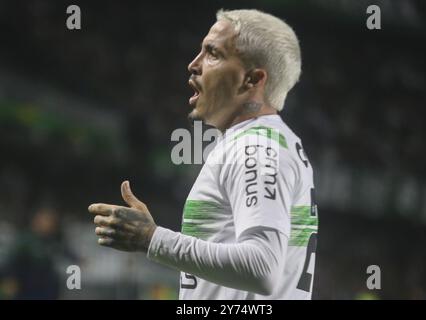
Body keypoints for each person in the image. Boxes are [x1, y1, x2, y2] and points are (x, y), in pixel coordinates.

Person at [89, 9, 318, 300]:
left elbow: (262, 268)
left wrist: (150, 238)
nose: (194, 64)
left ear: (252, 79)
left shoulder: (257, 148)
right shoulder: (268, 141)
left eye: (213, 54)